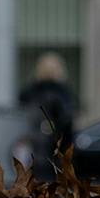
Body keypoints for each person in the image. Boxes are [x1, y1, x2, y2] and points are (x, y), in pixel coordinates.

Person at [18, 49, 78, 178]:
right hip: (55, 152)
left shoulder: (29, 93)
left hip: (31, 152)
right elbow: (67, 124)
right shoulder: (63, 94)